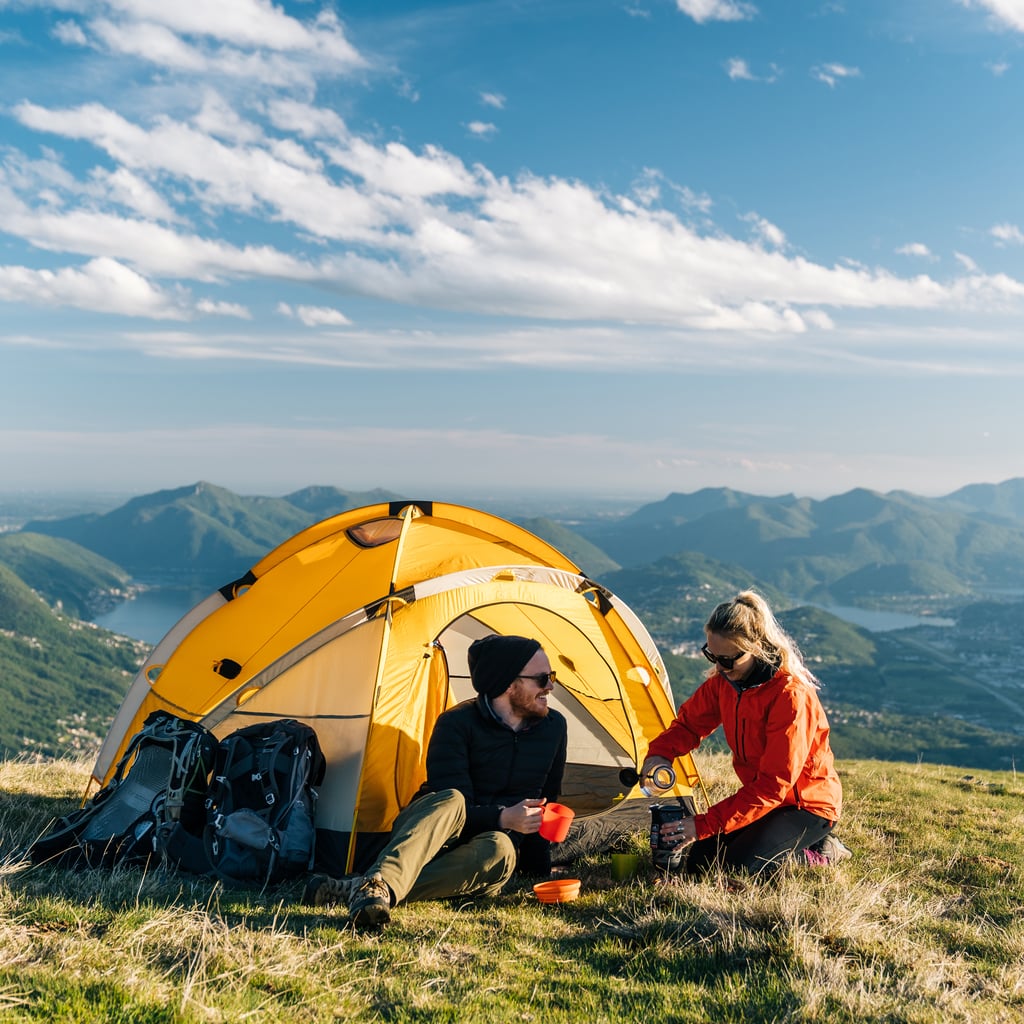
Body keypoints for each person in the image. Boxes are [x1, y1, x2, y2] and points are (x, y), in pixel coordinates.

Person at [304, 634, 568, 928]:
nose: (550, 686)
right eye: (542, 678)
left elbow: (547, 801)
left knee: (502, 849)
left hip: (477, 854)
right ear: (508, 683)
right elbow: (453, 810)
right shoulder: (456, 724)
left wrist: (538, 871)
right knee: (452, 799)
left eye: (551, 676)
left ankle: (367, 890)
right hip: (429, 834)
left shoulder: (554, 727)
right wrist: (504, 817)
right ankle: (382, 882)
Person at [642, 590, 849, 878]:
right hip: (762, 801)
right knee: (701, 862)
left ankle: (821, 851)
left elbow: (773, 785)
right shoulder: (724, 682)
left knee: (739, 871)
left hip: (806, 806)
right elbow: (689, 726)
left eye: (727, 660)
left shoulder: (789, 696)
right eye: (712, 656)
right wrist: (660, 755)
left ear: (756, 648)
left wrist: (701, 824)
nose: (718, 667)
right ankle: (779, 844)